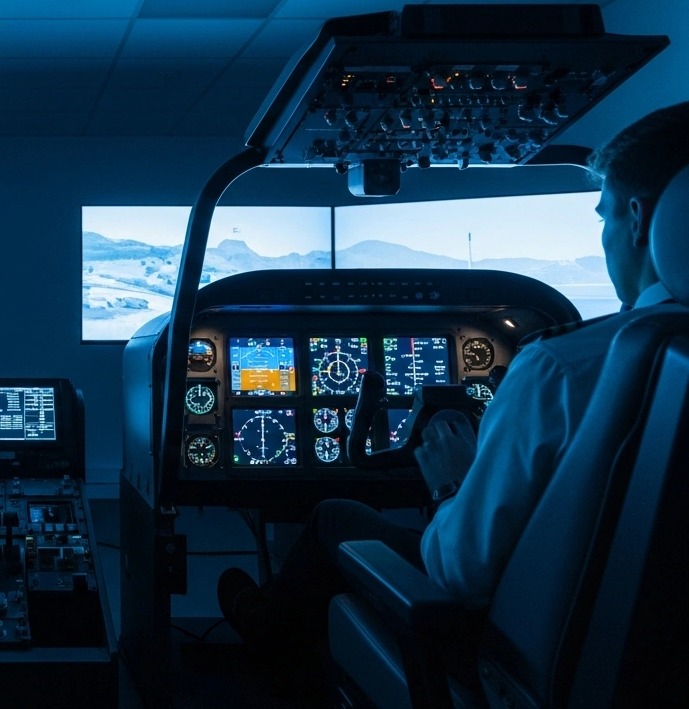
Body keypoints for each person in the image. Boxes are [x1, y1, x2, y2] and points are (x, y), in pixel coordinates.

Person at [216, 100, 689, 651]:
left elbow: (459, 572)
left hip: (522, 642)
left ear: (637, 222)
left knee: (331, 519)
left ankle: (271, 651)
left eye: (604, 214)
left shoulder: (563, 368)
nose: (602, 238)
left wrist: (451, 480)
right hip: (650, 649)